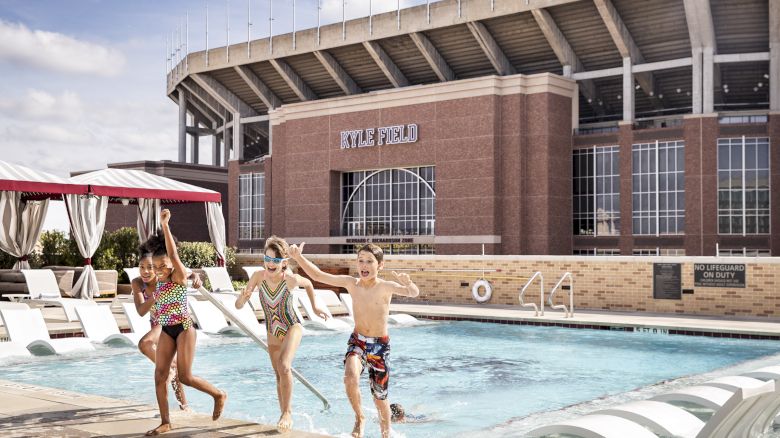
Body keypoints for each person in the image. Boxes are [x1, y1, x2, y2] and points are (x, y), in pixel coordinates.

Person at [288, 242, 420, 438]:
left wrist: (408, 283)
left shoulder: (386, 286)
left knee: (380, 399)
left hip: (380, 348)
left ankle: (386, 433)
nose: (364, 265)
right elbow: (318, 275)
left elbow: (413, 293)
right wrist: (298, 257)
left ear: (380, 265)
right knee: (350, 377)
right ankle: (360, 418)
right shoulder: (352, 283)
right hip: (358, 341)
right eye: (361, 261)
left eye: (369, 261)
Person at [145, 209, 227, 436]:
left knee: (185, 377)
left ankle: (218, 395)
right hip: (166, 330)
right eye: (155, 267)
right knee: (160, 375)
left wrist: (166, 225)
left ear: (172, 264)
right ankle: (165, 422)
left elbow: (173, 254)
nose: (158, 271)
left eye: (163, 266)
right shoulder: (161, 278)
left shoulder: (177, 275)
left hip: (184, 329)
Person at [235, 236, 328, 432]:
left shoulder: (290, 278)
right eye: (267, 259)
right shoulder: (258, 277)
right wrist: (242, 298)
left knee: (284, 366)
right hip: (271, 331)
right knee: (278, 374)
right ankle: (283, 413)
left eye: (275, 261)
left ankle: (288, 412)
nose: (270, 264)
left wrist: (315, 307)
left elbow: (309, 284)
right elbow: (239, 306)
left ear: (284, 263)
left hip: (292, 326)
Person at [132, 242, 203, 411]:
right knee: (171, 368)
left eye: (150, 267)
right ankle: (184, 406)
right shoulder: (138, 283)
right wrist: (156, 296)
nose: (146, 271)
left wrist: (195, 276)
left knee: (145, 344)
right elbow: (141, 311)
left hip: (173, 320)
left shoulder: (166, 276)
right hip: (157, 322)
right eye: (141, 267)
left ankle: (177, 386)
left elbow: (186, 272)